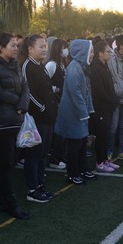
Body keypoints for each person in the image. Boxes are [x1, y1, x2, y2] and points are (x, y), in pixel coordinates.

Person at [0, 32, 30, 220]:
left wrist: (23, 104)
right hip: (1, 122)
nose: (16, 48)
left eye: (17, 45)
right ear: (1, 47)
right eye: (12, 45)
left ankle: (4, 201)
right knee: (5, 165)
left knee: (9, 164)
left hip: (15, 119)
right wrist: (17, 101)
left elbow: (25, 86)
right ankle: (10, 203)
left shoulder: (15, 64)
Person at [20, 35, 58, 203]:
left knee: (43, 154)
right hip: (37, 118)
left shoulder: (41, 65)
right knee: (34, 154)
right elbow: (27, 92)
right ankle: (32, 189)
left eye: (45, 46)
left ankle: (41, 185)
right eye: (41, 46)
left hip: (48, 117)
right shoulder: (27, 66)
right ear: (30, 49)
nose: (45, 49)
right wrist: (42, 108)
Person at [54, 39, 95, 185]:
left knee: (82, 143)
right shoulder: (74, 68)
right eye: (91, 52)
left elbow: (85, 92)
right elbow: (75, 93)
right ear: (82, 52)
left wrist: (88, 109)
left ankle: (83, 169)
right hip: (73, 114)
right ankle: (72, 173)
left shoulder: (80, 67)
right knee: (75, 145)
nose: (92, 54)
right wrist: (84, 112)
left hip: (79, 113)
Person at [89, 40, 120, 173]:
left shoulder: (104, 66)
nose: (110, 54)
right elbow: (99, 90)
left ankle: (105, 159)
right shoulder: (95, 68)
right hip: (100, 107)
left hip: (107, 107)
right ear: (100, 53)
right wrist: (111, 101)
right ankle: (100, 162)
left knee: (106, 134)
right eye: (107, 51)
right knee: (101, 135)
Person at [44, 38, 69, 169]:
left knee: (62, 132)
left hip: (62, 103)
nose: (66, 50)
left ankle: (60, 156)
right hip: (55, 103)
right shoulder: (51, 65)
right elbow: (44, 83)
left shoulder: (62, 64)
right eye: (64, 47)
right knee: (57, 133)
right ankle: (53, 158)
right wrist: (56, 89)